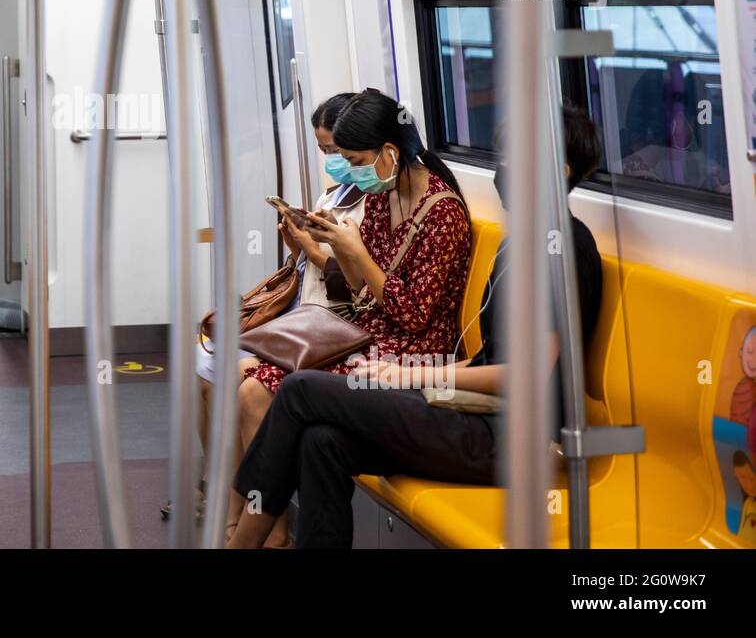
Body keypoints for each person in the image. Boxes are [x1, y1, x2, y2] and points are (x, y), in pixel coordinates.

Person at [227, 104, 605, 549]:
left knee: (300, 391)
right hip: (473, 413)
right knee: (320, 440)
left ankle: (240, 545)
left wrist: (411, 375)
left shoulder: (559, 252)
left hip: (509, 438)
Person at [186, 92, 365, 540]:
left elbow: (359, 287)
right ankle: (225, 491)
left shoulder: (377, 204)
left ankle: (265, 522)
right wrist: (299, 246)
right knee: (203, 365)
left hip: (335, 321)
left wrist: (313, 252)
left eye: (338, 152)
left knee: (244, 380)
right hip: (308, 306)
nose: (333, 160)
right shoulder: (335, 191)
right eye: (326, 151)